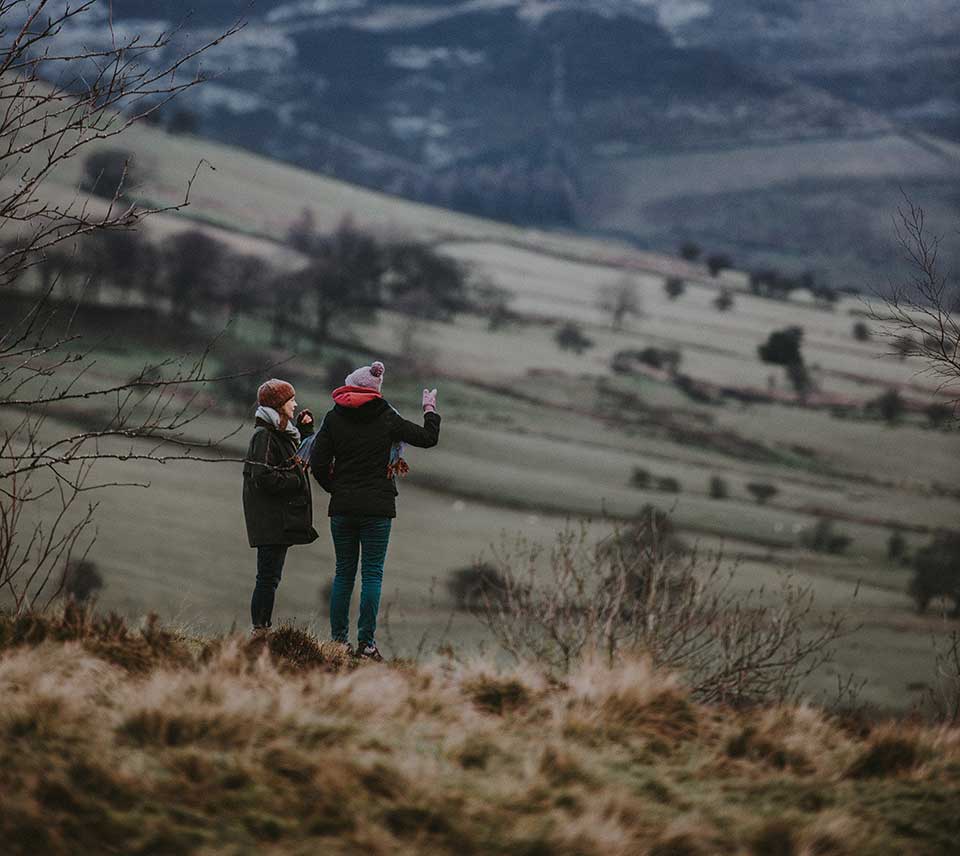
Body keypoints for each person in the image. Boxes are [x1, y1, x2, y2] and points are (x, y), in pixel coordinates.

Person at [310, 360, 440, 660]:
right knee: (372, 575)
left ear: (350, 387)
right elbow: (427, 438)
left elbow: (317, 463)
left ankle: (338, 643)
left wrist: (336, 488)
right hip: (378, 509)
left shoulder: (333, 418)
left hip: (342, 507)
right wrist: (429, 409)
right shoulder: (387, 418)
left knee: (343, 573)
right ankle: (366, 645)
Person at [242, 378, 318, 633]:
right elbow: (262, 477)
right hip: (270, 519)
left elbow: (298, 460)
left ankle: (262, 629)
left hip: (276, 519)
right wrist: (295, 480)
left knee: (270, 577)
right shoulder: (264, 436)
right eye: (290, 400)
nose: (295, 404)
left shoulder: (280, 433)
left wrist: (306, 434)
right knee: (267, 578)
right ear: (278, 405)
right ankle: (260, 632)